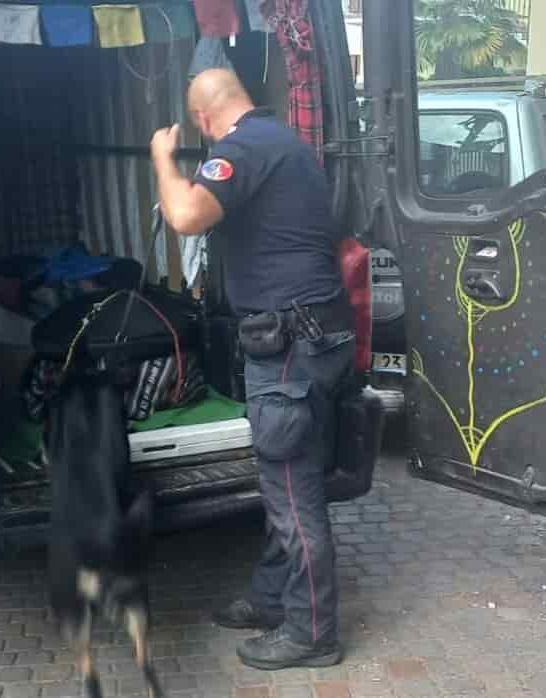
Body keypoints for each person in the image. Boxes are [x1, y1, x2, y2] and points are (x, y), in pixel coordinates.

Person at [150, 68, 354, 670]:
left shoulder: (243, 148)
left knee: (293, 496)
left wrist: (165, 157)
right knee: (291, 483)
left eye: (197, 129)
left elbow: (186, 214)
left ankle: (312, 633)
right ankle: (272, 597)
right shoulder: (284, 143)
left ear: (205, 119)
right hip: (316, 339)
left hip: (290, 350)